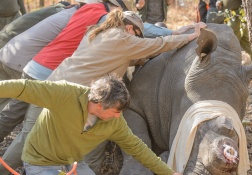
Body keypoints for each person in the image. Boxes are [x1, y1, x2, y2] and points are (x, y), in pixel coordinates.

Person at [0, 74, 180, 175]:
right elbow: (23, 87)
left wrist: (169, 173)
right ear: (100, 105)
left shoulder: (115, 122)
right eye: (116, 111)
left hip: (73, 164)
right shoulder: (64, 94)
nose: (119, 117)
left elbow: (137, 147)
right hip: (40, 162)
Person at [0, 1, 71, 49]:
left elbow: (21, 3)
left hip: (15, 15)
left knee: (15, 35)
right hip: (1, 18)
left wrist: (24, 15)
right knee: (4, 37)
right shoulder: (57, 11)